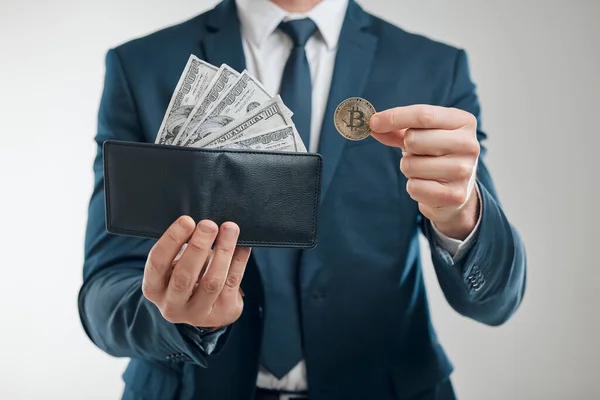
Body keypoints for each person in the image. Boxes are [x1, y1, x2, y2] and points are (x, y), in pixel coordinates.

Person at [78, 0, 527, 399]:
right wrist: (178, 315)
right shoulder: (141, 65)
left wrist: (461, 217)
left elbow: (494, 301)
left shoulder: (432, 68)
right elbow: (103, 292)